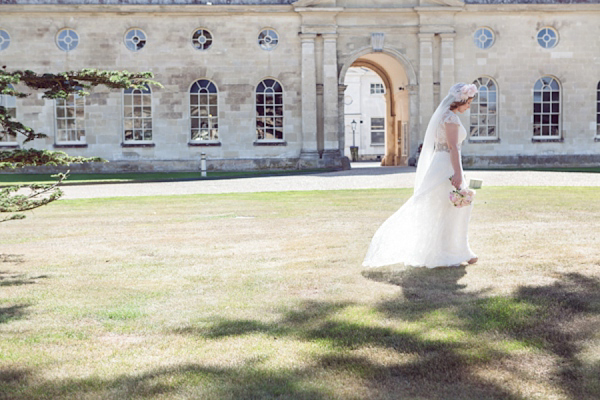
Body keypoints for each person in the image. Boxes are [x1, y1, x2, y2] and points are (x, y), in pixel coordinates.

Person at [363, 83, 479, 268]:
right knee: (448, 208)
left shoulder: (448, 116)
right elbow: (453, 148)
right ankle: (449, 253)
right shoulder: (450, 118)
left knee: (450, 209)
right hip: (446, 166)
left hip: (444, 163)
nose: (469, 107)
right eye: (468, 103)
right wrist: (457, 172)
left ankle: (459, 251)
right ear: (461, 101)